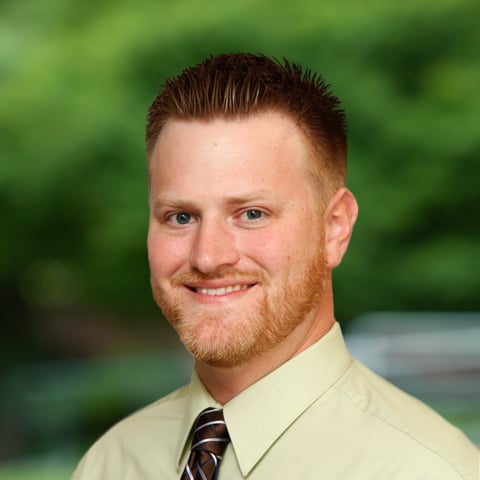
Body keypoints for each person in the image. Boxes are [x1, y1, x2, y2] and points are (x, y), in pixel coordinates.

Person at [72, 53, 479, 479]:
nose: (207, 256)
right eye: (181, 217)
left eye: (252, 214)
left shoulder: (429, 470)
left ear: (334, 228)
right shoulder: (110, 464)